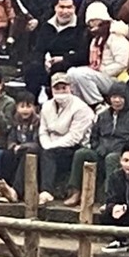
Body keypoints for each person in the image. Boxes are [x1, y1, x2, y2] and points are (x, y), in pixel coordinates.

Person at [36, 67, 91, 200]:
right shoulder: (46, 106)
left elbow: (74, 137)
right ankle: (17, 190)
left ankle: (46, 191)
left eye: (63, 87)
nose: (61, 91)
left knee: (49, 154)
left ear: (70, 88)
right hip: (50, 145)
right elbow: (43, 130)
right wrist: (46, 144)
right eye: (57, 88)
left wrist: (51, 147)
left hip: (74, 147)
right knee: (31, 151)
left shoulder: (81, 108)